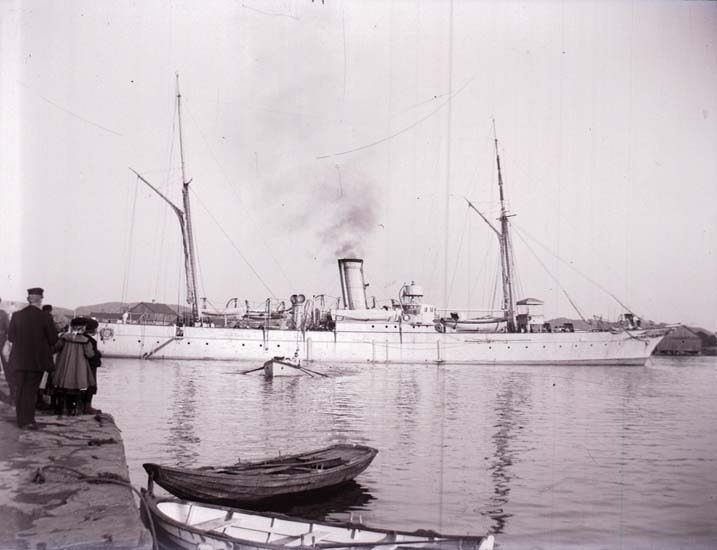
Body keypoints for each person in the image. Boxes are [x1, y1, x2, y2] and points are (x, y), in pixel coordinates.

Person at [7, 288, 59, 429]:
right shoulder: (45, 317)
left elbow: (11, 337)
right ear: (40, 299)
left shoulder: (17, 315)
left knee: (20, 389)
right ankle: (28, 421)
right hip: (37, 360)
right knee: (31, 390)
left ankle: (21, 420)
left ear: (28, 299)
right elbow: (53, 339)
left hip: (18, 359)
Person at [82, 318, 102, 414]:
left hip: (81, 365)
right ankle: (87, 406)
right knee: (91, 385)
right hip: (90, 366)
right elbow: (91, 355)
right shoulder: (91, 341)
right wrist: (99, 354)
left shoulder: (81, 337)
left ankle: (81, 405)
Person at [0, 298, 9, 387]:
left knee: (5, 361)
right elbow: (8, 329)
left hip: (2, 340)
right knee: (5, 362)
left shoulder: (3, 314)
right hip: (1, 339)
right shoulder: (3, 314)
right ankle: (9, 380)